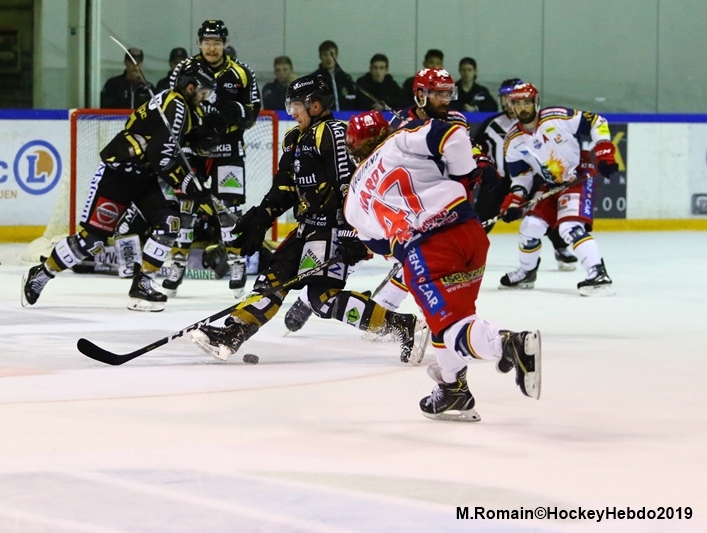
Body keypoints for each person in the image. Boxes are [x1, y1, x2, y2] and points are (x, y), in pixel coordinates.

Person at [190, 74, 428, 363]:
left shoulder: (333, 134)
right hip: (307, 229)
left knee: (308, 292)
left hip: (332, 229)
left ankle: (404, 326)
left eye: (295, 105)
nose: (292, 112)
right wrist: (262, 215)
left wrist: (352, 234)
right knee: (295, 287)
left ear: (314, 105)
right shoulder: (294, 139)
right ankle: (232, 334)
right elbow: (284, 188)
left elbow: (350, 186)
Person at [344, 109, 541, 422]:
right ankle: (454, 391)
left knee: (451, 326)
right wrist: (459, 180)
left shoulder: (352, 200)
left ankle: (507, 343)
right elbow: (453, 135)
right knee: (446, 319)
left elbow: (379, 245)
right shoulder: (400, 141)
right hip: (469, 233)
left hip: (427, 250)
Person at [284, 67, 497, 332]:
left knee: (417, 263)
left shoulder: (454, 120)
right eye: (438, 94)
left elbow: (468, 147)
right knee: (363, 249)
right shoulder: (400, 128)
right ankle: (311, 297)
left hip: (440, 206)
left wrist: (481, 162)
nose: (445, 100)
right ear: (420, 95)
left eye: (448, 93)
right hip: (403, 207)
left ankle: (400, 315)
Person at [22, 58, 217, 312]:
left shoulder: (185, 108)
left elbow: (174, 147)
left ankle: (142, 284)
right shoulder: (176, 106)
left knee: (169, 223)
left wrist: (196, 149)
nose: (203, 97)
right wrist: (185, 181)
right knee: (92, 241)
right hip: (120, 174)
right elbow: (161, 156)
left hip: (145, 178)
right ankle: (42, 273)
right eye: (202, 92)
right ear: (190, 87)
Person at [499, 82, 616, 296]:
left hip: (578, 175)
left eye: (527, 102)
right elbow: (522, 176)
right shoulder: (512, 141)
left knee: (569, 227)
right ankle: (527, 272)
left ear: (536, 102)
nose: (523, 108)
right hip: (551, 184)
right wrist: (515, 201)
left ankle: (598, 274)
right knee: (530, 226)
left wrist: (604, 152)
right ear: (511, 106)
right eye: (517, 103)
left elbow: (597, 122)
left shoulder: (557, 117)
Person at [472, 78, 578, 269]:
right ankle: (469, 253)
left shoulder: (537, 124)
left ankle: (560, 248)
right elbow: (475, 148)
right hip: (498, 182)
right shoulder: (492, 124)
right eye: (504, 97)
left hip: (528, 179)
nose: (508, 102)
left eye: (511, 97)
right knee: (482, 218)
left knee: (543, 213)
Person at [189, 20, 262, 297]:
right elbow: (175, 104)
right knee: (184, 205)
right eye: (207, 42)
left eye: (216, 42)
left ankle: (236, 262)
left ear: (225, 43)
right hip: (194, 150)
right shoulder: (186, 69)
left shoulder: (242, 73)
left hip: (229, 149)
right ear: (199, 43)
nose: (211, 47)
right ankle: (174, 264)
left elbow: (253, 113)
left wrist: (232, 113)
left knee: (230, 209)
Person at [311, 40, 358, 111]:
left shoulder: (346, 78)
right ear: (320, 56)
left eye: (331, 54)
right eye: (325, 55)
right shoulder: (314, 78)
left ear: (336, 56)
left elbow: (353, 102)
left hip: (345, 119)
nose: (328, 58)